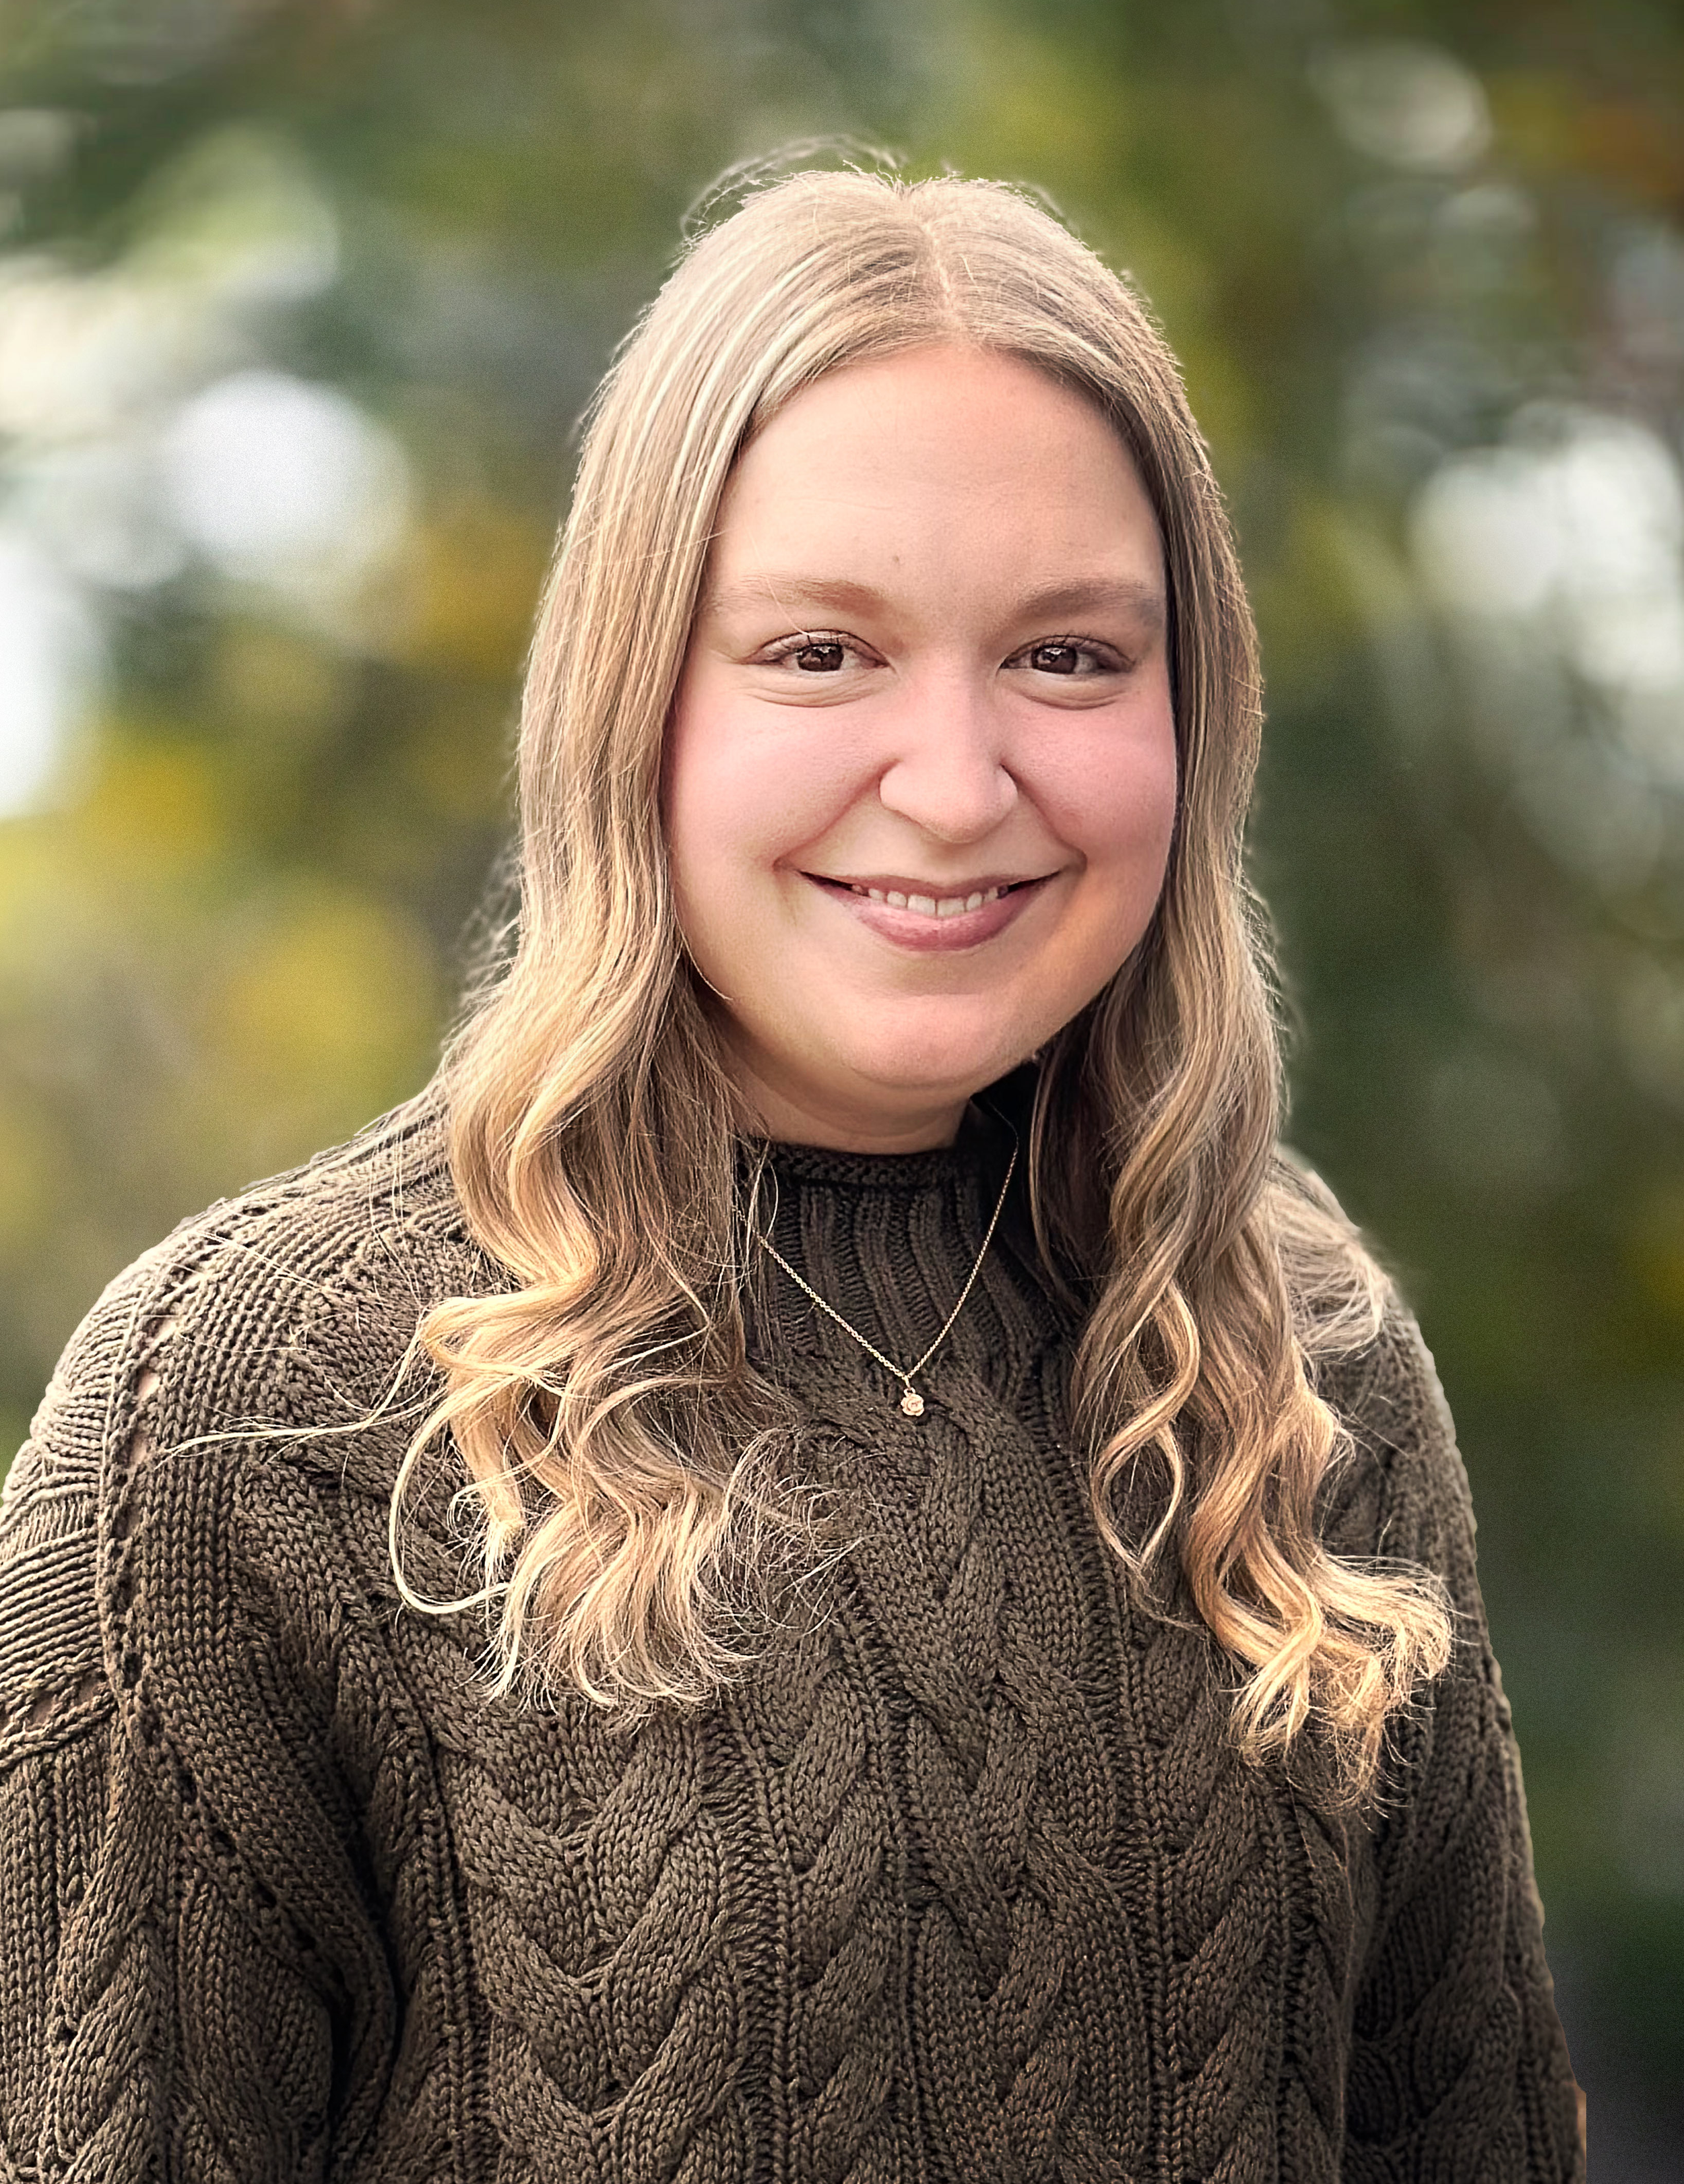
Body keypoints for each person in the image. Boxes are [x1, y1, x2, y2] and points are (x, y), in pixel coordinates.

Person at [0, 166, 1584, 2180]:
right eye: (820, 653)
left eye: (1070, 658)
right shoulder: (242, 1417)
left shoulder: (1298, 1363)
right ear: (630, 700)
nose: (952, 780)